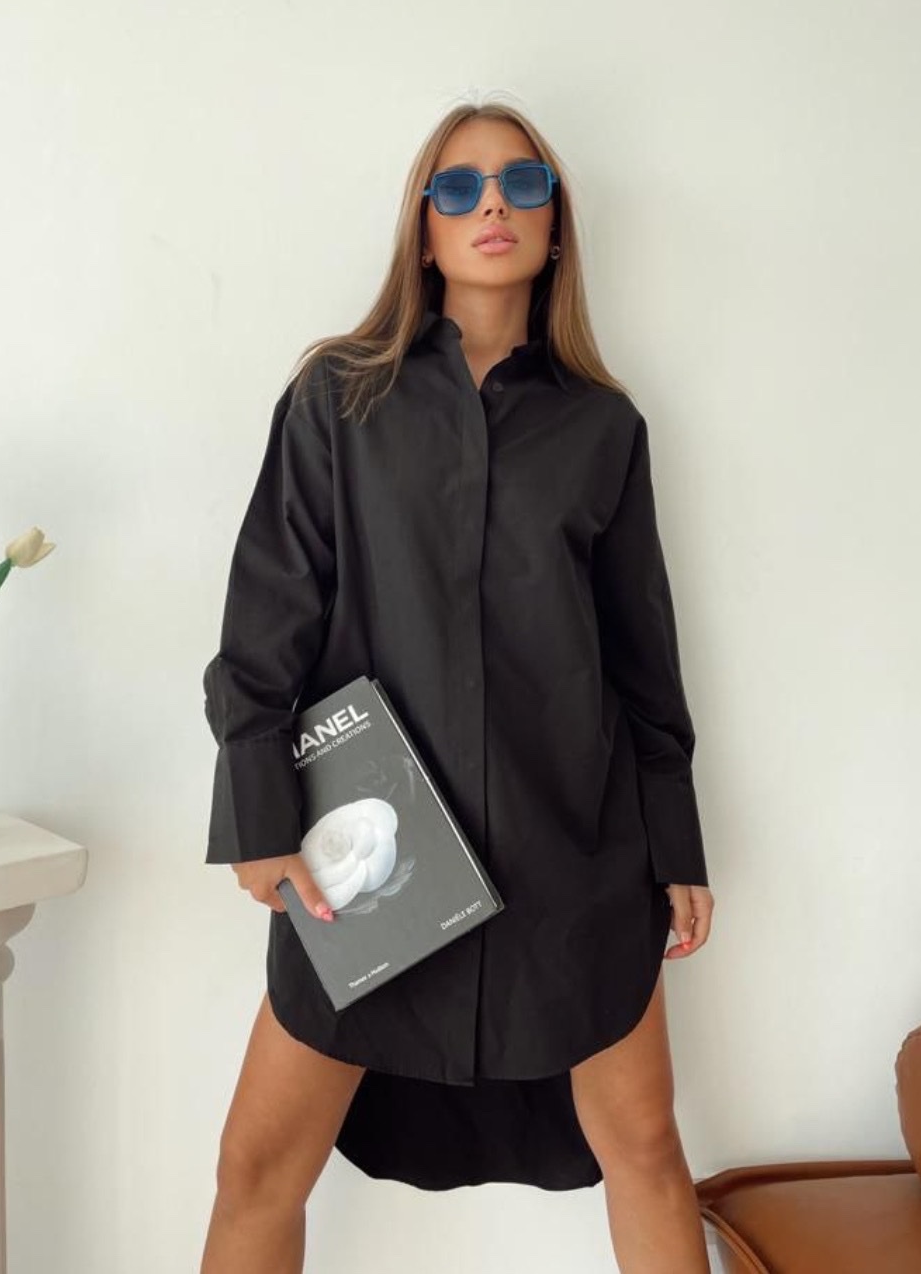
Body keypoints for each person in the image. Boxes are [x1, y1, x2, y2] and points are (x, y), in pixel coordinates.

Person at [199, 100, 715, 1274]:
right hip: (372, 859)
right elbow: (265, 622)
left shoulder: (604, 428)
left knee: (645, 1145)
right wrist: (259, 814)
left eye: (523, 184)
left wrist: (674, 845)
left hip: (572, 853)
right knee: (257, 1165)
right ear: (424, 230)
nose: (493, 204)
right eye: (460, 186)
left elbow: (643, 657)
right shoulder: (337, 400)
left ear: (555, 225)